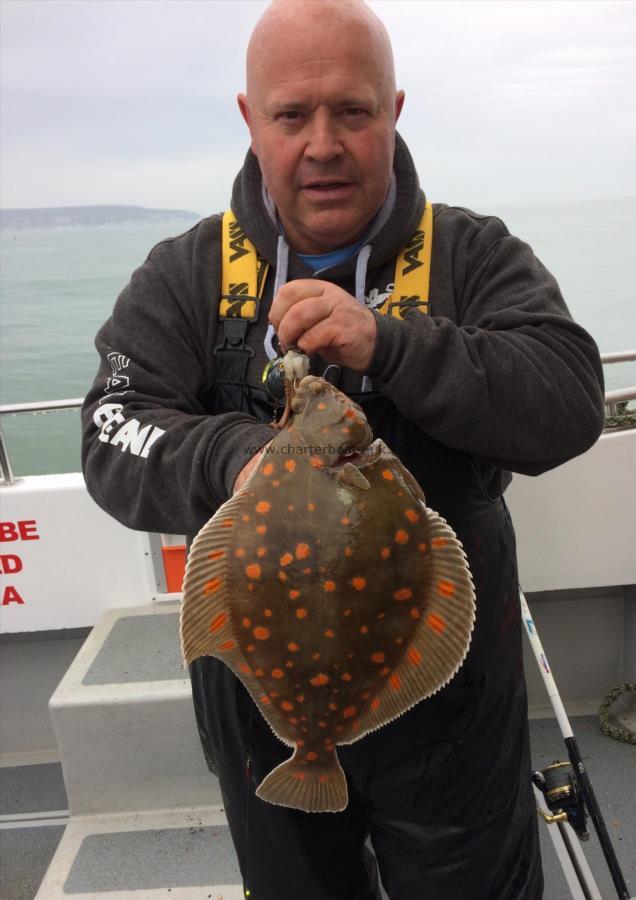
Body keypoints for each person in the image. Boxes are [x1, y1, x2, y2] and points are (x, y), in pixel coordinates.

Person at [81, 1, 605, 897]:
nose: (322, 143)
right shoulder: (188, 273)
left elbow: (566, 400)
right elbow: (111, 428)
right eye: (291, 115)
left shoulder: (471, 256)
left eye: (351, 111)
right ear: (252, 121)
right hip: (265, 709)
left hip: (449, 702)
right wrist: (239, 460)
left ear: (392, 111)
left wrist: (393, 344)